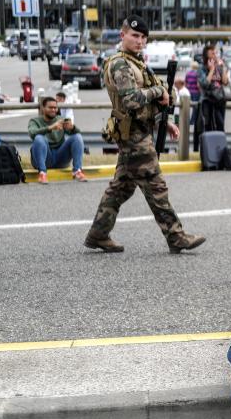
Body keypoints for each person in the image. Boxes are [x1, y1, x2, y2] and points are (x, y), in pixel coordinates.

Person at [85, 16, 205, 254]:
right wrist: (159, 90)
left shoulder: (136, 62)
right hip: (133, 136)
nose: (139, 41)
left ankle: (98, 234)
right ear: (123, 35)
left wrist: (165, 121)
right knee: (155, 185)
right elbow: (131, 100)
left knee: (121, 187)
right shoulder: (120, 64)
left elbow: (150, 101)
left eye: (143, 38)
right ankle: (176, 236)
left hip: (139, 131)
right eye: (135, 36)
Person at [28, 96, 87, 184]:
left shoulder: (60, 119)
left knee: (77, 137)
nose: (53, 110)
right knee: (39, 138)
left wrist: (72, 128)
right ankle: (42, 173)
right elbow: (32, 133)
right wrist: (50, 128)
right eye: (50, 107)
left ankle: (77, 171)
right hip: (44, 158)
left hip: (60, 158)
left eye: (55, 107)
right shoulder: (34, 121)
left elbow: (77, 135)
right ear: (43, 108)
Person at [195, 45, 228, 152]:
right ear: (206, 56)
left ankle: (221, 150)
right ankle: (209, 150)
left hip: (219, 100)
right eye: (212, 53)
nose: (214, 55)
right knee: (207, 126)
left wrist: (222, 68)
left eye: (215, 53)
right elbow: (204, 84)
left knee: (220, 125)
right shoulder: (201, 68)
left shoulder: (219, 66)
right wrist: (211, 69)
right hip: (207, 101)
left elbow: (225, 82)